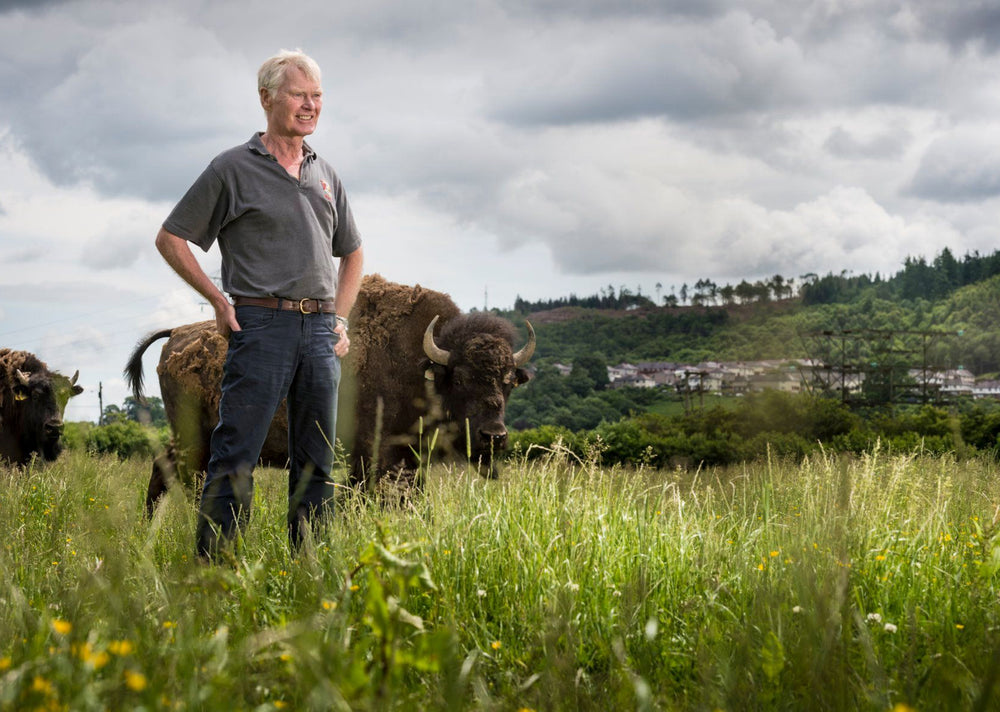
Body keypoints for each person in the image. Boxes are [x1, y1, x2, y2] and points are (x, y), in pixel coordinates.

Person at [155, 49, 364, 559]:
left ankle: (310, 568)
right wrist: (217, 300)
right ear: (267, 97)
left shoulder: (326, 174)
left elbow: (353, 254)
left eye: (317, 96)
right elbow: (171, 238)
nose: (310, 105)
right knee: (236, 453)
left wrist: (338, 317)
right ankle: (216, 571)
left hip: (318, 334)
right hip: (259, 325)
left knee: (317, 459)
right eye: (299, 94)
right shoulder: (231, 169)